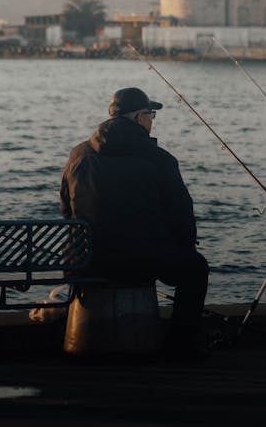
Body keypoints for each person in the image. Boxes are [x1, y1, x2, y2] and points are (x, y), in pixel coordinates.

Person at [60, 86, 209, 359]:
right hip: (141, 259)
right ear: (139, 117)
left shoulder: (77, 154)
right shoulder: (161, 159)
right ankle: (180, 347)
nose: (152, 121)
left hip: (86, 260)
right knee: (196, 268)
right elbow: (182, 217)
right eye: (151, 114)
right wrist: (182, 247)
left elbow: (67, 211)